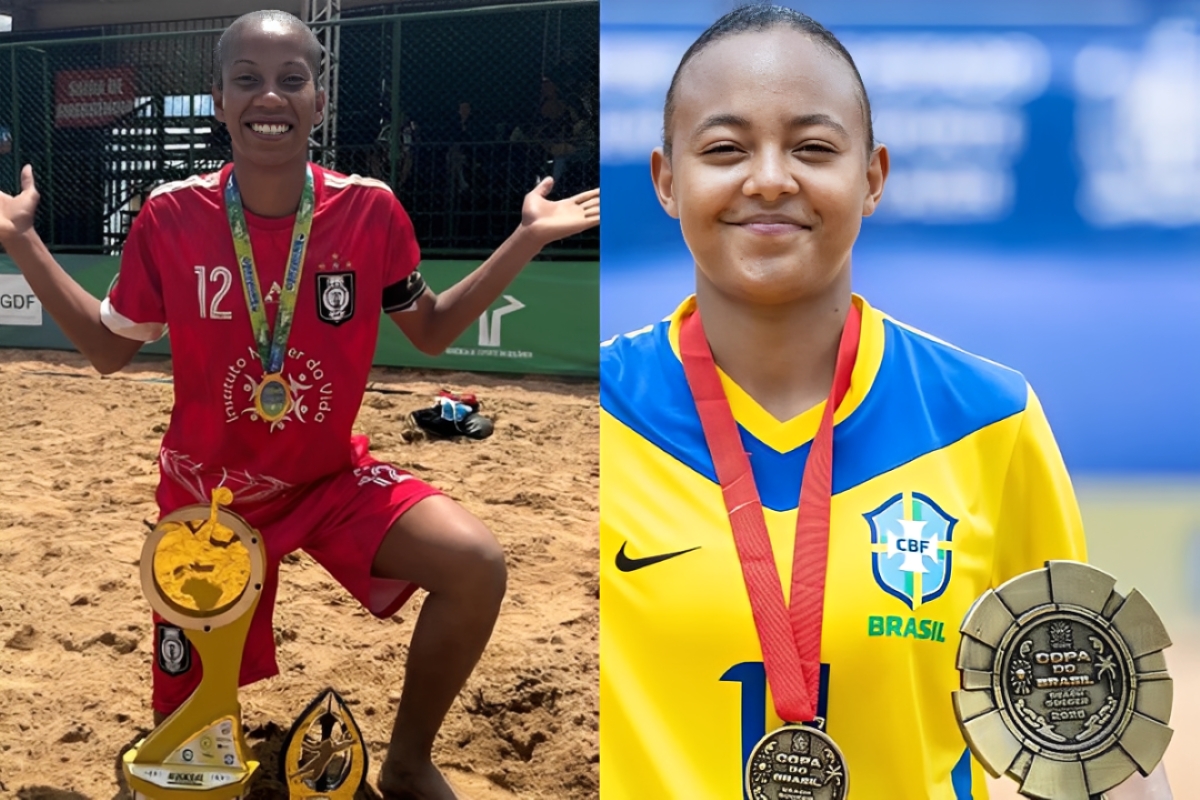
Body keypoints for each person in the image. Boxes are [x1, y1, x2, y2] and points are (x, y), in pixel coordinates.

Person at [0, 10, 597, 800]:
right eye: (246, 79)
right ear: (219, 98)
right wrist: (21, 240)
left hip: (327, 481)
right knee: (191, 759)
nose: (270, 95)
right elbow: (110, 350)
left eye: (292, 79)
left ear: (320, 98)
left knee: (475, 564)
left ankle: (408, 764)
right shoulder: (171, 215)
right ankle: (200, 719)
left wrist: (524, 238)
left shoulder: (370, 209)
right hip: (208, 507)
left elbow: (432, 332)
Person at [599, 6, 1169, 800]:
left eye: (813, 148)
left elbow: (1089, 745)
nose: (770, 178)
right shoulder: (599, 415)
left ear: (872, 178)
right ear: (667, 180)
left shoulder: (987, 419)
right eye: (725, 149)